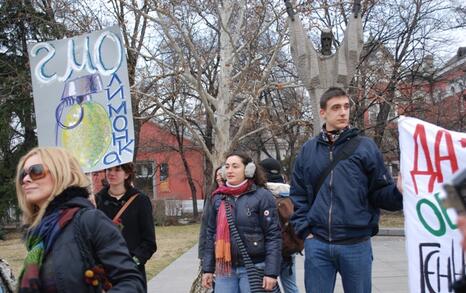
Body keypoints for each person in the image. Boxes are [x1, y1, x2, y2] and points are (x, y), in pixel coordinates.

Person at [290, 87, 403, 293]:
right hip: (318, 244)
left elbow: (380, 194)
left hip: (356, 244)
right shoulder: (308, 150)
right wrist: (304, 230)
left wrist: (399, 192)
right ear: (323, 112)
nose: (343, 112)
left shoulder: (365, 147)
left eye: (346, 106)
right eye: (336, 108)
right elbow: (297, 194)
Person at [15, 147, 144, 292]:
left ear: (61, 172)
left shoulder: (89, 221)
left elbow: (131, 282)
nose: (26, 179)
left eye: (36, 171)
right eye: (22, 175)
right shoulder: (38, 236)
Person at [202, 152, 282, 292]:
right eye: (227, 167)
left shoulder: (262, 196)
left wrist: (271, 272)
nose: (230, 170)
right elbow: (210, 235)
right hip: (224, 269)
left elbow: (273, 236)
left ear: (248, 170)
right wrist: (207, 269)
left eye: (235, 166)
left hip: (254, 266)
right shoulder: (217, 198)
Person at [96, 163, 157, 291]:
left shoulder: (140, 200)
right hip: (103, 274)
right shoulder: (97, 201)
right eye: (109, 169)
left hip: (131, 274)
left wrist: (132, 262)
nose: (111, 173)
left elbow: (149, 243)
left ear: (127, 174)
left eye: (117, 170)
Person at [259, 158, 299, 293]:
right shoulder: (290, 192)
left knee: (269, 287)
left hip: (268, 251)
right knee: (291, 286)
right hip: (288, 247)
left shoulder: (261, 193)